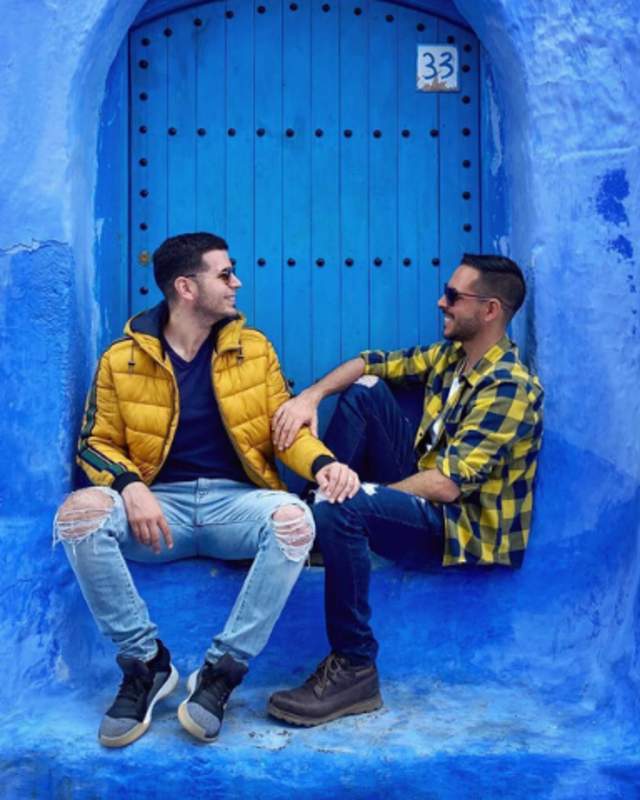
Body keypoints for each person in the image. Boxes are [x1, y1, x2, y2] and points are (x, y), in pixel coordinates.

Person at [53, 232, 359, 747]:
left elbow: (285, 433)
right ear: (185, 287)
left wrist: (324, 464)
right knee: (79, 514)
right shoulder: (121, 360)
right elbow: (94, 444)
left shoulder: (254, 350)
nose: (236, 282)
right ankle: (145, 664)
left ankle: (221, 673)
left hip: (233, 506)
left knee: (293, 520)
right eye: (224, 274)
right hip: (156, 510)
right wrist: (129, 486)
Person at [267, 254, 544, 727]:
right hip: (423, 490)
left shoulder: (510, 387)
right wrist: (310, 397)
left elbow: (448, 485)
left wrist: (363, 496)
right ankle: (318, 524)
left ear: (491, 310)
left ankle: (355, 667)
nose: (442, 302)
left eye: (454, 296)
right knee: (367, 390)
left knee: (344, 506)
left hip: (458, 528)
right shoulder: (453, 358)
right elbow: (369, 362)